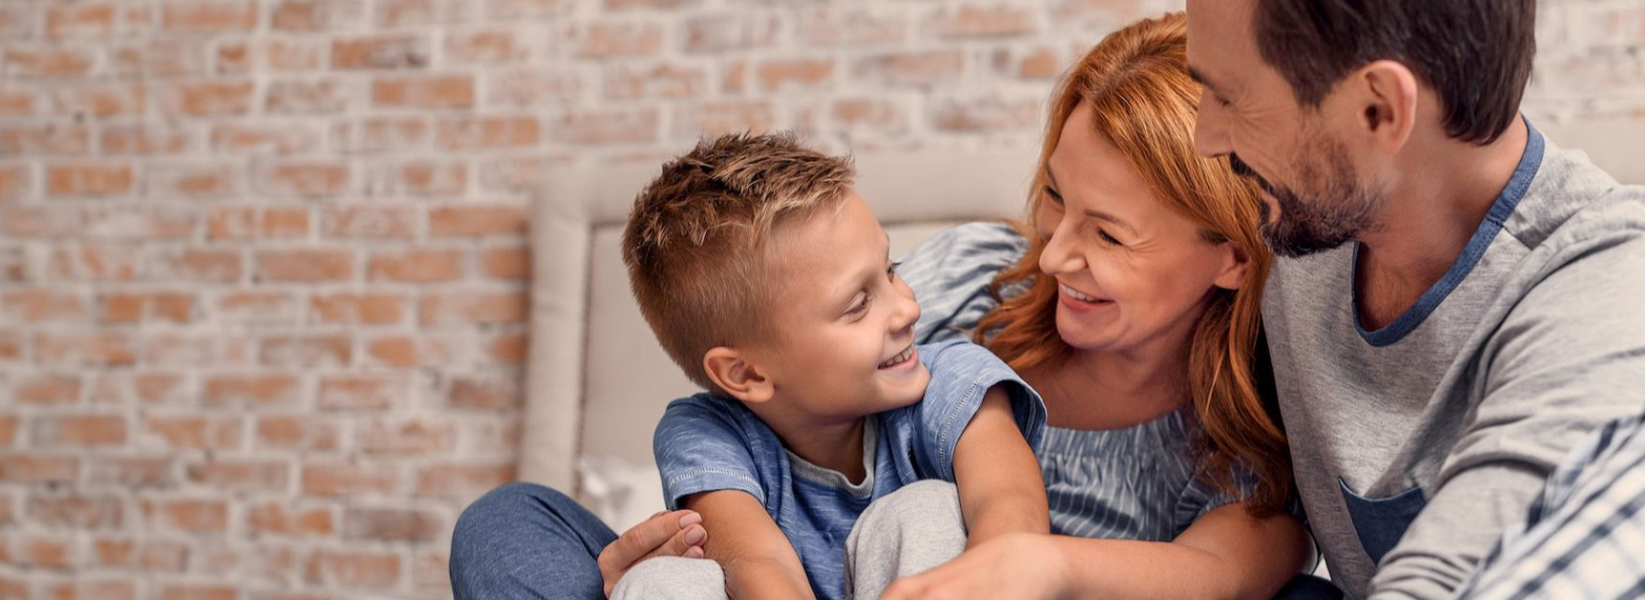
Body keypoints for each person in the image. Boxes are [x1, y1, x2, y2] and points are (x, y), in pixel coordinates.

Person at [451, 13, 1317, 600]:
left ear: (1234, 255)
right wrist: (649, 564)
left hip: (937, 565)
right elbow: (779, 382)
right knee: (512, 520)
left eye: (1110, 235)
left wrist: (1030, 563)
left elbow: (1228, 572)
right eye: (1055, 197)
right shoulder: (984, 283)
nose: (1051, 254)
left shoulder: (1236, 426)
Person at [1165, 0, 1645, 598]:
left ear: (1380, 110)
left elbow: (1456, 577)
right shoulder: (1308, 221)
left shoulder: (1606, 291)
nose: (1207, 139)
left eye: (1231, 98)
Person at [605, 131, 1053, 600]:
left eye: (891, 268)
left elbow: (1011, 512)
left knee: (924, 508)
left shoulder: (954, 382)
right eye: (858, 304)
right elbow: (760, 565)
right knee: (661, 578)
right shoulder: (706, 434)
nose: (908, 309)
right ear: (747, 375)